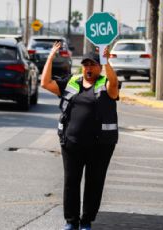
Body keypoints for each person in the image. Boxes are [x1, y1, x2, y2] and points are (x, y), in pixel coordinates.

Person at [41, 42, 119, 230]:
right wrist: (51, 57)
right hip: (72, 143)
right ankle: (71, 221)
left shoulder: (106, 84)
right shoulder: (72, 82)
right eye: (86, 64)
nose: (89, 68)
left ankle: (86, 221)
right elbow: (45, 83)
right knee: (71, 182)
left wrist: (107, 61)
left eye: (93, 64)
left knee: (94, 183)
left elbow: (114, 84)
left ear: (99, 67)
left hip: (100, 146)